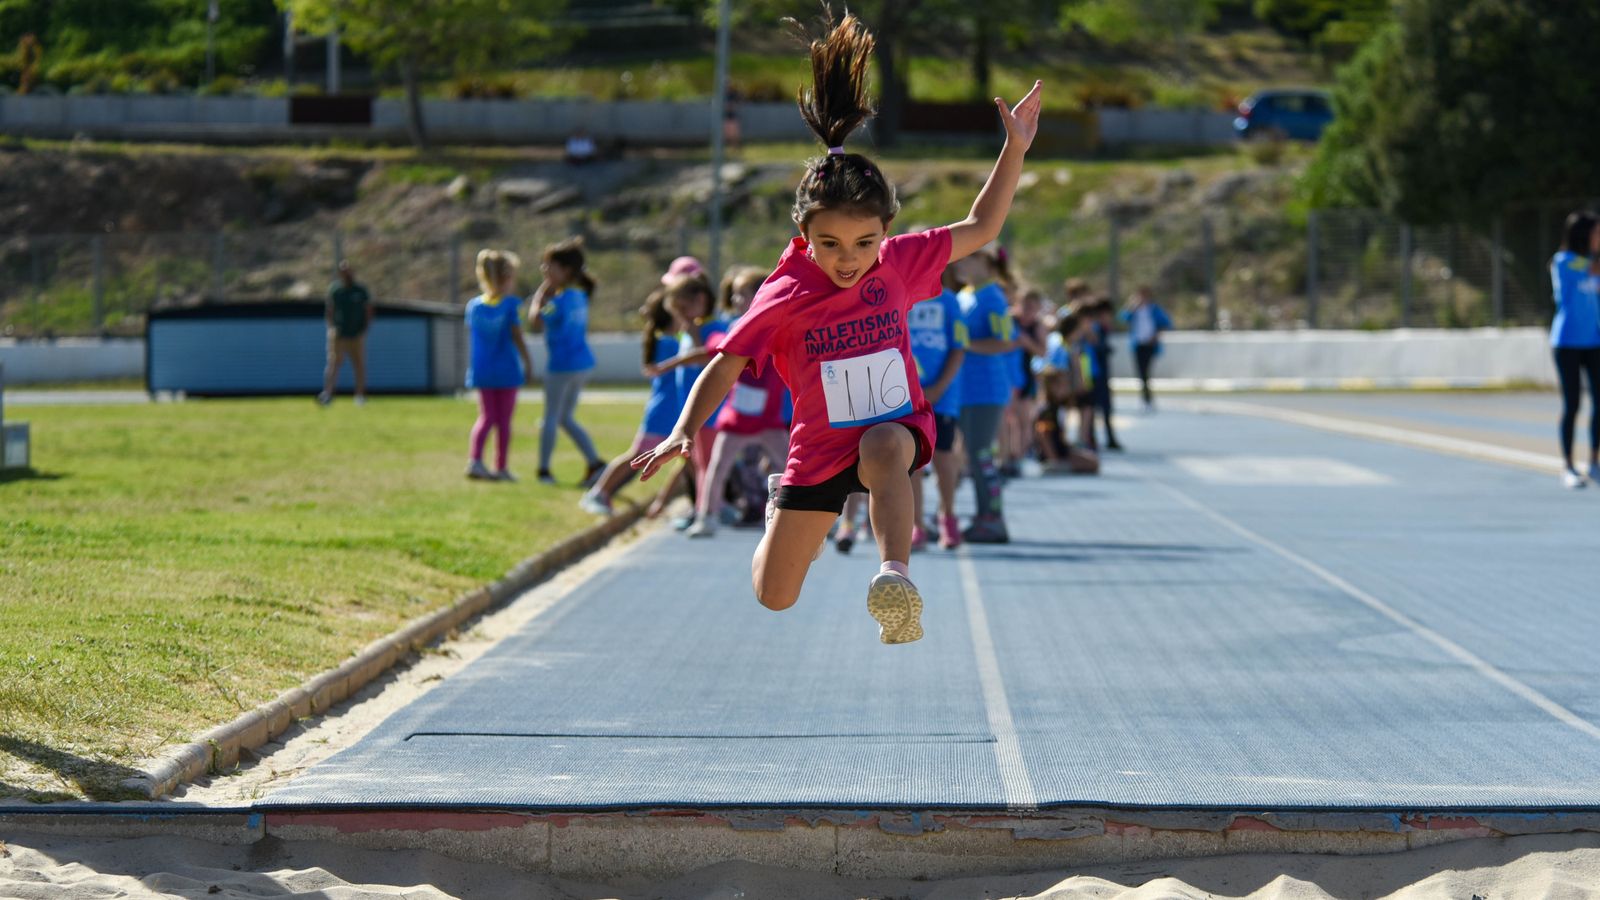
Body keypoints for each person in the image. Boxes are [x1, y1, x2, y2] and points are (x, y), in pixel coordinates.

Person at [631, 10, 1042, 644]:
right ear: (804, 236)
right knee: (774, 596)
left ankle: (894, 578)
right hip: (819, 447)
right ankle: (782, 516)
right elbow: (727, 362)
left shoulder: (899, 263)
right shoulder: (787, 291)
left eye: (863, 242)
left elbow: (981, 227)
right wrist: (684, 431)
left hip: (892, 425)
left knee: (886, 449)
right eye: (830, 243)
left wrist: (1012, 149)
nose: (848, 259)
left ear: (886, 231)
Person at [580, 288, 685, 516]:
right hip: (662, 414)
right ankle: (598, 492)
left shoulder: (667, 341)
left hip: (669, 412)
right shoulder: (670, 344)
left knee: (653, 458)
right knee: (636, 456)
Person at [648, 273, 732, 531]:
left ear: (701, 300)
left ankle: (707, 512)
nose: (682, 316)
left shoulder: (711, 328)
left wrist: (692, 334)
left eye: (685, 309)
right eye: (678, 311)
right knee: (696, 463)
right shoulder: (688, 330)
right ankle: (706, 508)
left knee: (707, 463)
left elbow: (709, 359)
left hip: (710, 410)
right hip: (690, 408)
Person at [954, 243, 1020, 544]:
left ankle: (993, 518)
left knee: (982, 455)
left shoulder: (993, 297)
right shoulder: (965, 295)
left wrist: (964, 347)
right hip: (965, 390)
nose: (957, 266)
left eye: (964, 259)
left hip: (987, 389)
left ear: (982, 259)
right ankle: (981, 515)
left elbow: (1005, 341)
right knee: (970, 455)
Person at [528, 238, 606, 487]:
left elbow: (535, 322)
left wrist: (541, 293)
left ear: (566, 271)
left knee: (551, 418)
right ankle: (596, 463)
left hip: (562, 366)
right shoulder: (580, 296)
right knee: (565, 418)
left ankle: (543, 471)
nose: (544, 270)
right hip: (582, 364)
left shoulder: (559, 302)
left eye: (549, 266)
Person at [908, 257, 969, 550]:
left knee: (944, 458)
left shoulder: (950, 302)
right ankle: (916, 524)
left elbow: (959, 349)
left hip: (942, 396)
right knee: (911, 464)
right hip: (904, 396)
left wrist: (939, 387)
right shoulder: (899, 298)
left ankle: (947, 515)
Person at [464, 250, 534, 481]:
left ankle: (475, 460)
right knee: (503, 421)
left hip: (482, 370)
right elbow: (517, 336)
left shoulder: (474, 306)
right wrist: (528, 361)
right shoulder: (511, 305)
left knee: (486, 417)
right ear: (506, 278)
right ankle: (500, 467)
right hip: (506, 371)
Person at [1549, 211, 1600, 489]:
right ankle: (1568, 466)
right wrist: (1592, 262)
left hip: (1594, 341)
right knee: (1573, 404)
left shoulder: (1593, 265)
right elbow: (1583, 267)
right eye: (1596, 233)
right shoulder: (1564, 261)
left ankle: (1594, 462)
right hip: (1566, 342)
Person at [318, 260, 372, 406]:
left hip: (356, 333)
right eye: (343, 272)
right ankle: (328, 394)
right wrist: (331, 327)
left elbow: (368, 310)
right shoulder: (336, 290)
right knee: (334, 363)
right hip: (339, 333)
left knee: (359, 364)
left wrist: (364, 329)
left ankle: (359, 395)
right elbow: (330, 310)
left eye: (348, 271)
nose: (346, 274)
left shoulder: (360, 290)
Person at [1121, 285, 1172, 411]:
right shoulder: (1135, 309)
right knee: (1141, 372)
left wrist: (1155, 335)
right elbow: (1122, 318)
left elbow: (1166, 323)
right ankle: (1145, 399)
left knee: (1146, 372)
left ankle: (1147, 399)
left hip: (1150, 345)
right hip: (1138, 345)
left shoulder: (1154, 309)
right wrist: (1131, 306)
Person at [1084, 296, 1122, 451]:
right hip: (1094, 372)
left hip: (1101, 372)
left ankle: (1108, 437)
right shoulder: (1094, 329)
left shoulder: (1101, 329)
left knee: (1105, 407)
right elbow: (1094, 349)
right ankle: (1091, 438)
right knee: (1093, 406)